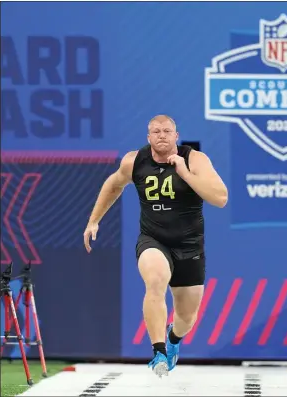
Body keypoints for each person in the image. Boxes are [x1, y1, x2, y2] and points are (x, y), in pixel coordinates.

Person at [84, 115, 228, 378]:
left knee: (187, 318)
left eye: (167, 131)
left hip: (189, 244)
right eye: (155, 131)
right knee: (155, 279)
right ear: (148, 137)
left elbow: (220, 198)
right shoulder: (134, 161)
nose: (161, 135)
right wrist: (94, 220)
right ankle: (158, 350)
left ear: (176, 136)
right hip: (154, 239)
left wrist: (184, 172)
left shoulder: (195, 159)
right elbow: (113, 185)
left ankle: (173, 339)